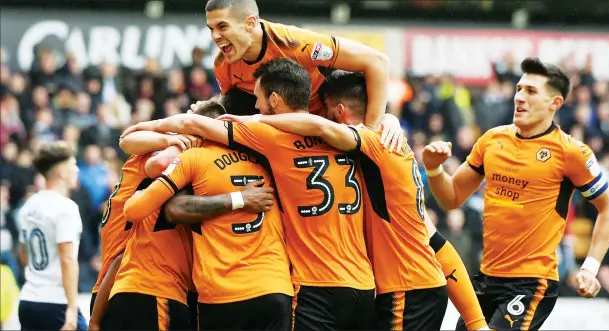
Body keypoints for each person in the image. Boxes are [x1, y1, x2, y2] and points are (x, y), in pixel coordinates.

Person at [219, 70, 489, 331]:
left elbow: (318, 124)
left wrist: (254, 121)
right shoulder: (378, 148)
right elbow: (436, 241)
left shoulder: (376, 143)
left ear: (337, 111)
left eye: (325, 108)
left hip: (406, 289)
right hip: (404, 286)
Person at [122, 58, 376, 330]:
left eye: (259, 99)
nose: (256, 106)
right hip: (360, 283)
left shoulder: (268, 138)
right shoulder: (352, 138)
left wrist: (157, 130)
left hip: (308, 285)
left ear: (275, 100)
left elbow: (172, 145)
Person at [421, 57, 609, 330]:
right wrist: (433, 169)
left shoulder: (571, 153)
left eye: (531, 91)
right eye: (518, 89)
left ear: (555, 103)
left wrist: (590, 266)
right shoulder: (492, 140)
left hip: (531, 282)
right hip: (486, 278)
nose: (520, 97)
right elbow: (452, 197)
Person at [123, 98, 293, 331]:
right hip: (274, 286)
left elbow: (136, 210)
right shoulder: (267, 157)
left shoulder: (193, 158)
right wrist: (240, 199)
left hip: (221, 292)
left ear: (195, 130)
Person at [204, 0, 404, 150]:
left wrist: (373, 130)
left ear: (249, 23)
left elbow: (378, 62)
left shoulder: (296, 43)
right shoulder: (222, 66)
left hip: (332, 137)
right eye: (211, 29)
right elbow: (234, 108)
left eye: (222, 26)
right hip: (282, 144)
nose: (215, 36)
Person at [88, 131, 202, 330]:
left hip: (109, 289)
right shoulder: (159, 175)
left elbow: (126, 139)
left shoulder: (132, 167)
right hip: (140, 285)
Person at [18, 141, 87, 330]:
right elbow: (67, 260)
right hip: (56, 302)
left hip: (28, 300)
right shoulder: (66, 208)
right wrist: (72, 308)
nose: (77, 170)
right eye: (73, 165)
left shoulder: (28, 206)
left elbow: (24, 256)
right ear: (62, 172)